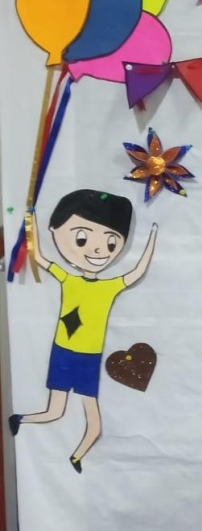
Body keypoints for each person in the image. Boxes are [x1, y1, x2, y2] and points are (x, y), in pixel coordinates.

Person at [8, 189, 157, 473]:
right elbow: (39, 257)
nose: (98, 251)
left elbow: (137, 272)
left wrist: (152, 238)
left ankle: (76, 457)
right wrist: (30, 220)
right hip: (63, 352)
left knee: (93, 419)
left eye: (110, 243)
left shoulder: (109, 287)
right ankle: (20, 419)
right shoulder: (68, 279)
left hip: (89, 357)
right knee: (55, 410)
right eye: (82, 239)